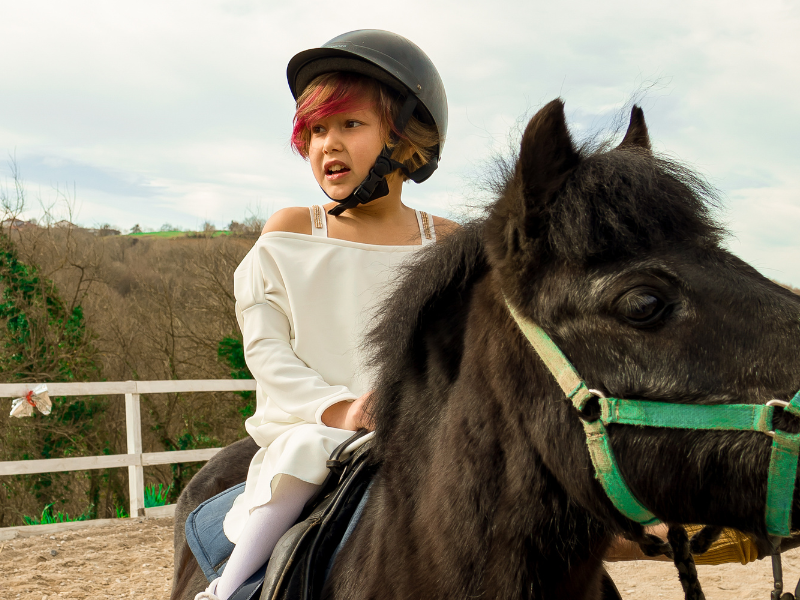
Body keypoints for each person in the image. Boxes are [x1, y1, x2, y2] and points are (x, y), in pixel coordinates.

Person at [195, 30, 455, 600]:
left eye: (349, 125)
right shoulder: (290, 233)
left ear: (406, 139)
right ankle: (231, 587)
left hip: (426, 427)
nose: (326, 145)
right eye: (315, 130)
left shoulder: (451, 245)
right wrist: (341, 408)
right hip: (319, 425)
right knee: (305, 450)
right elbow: (267, 351)